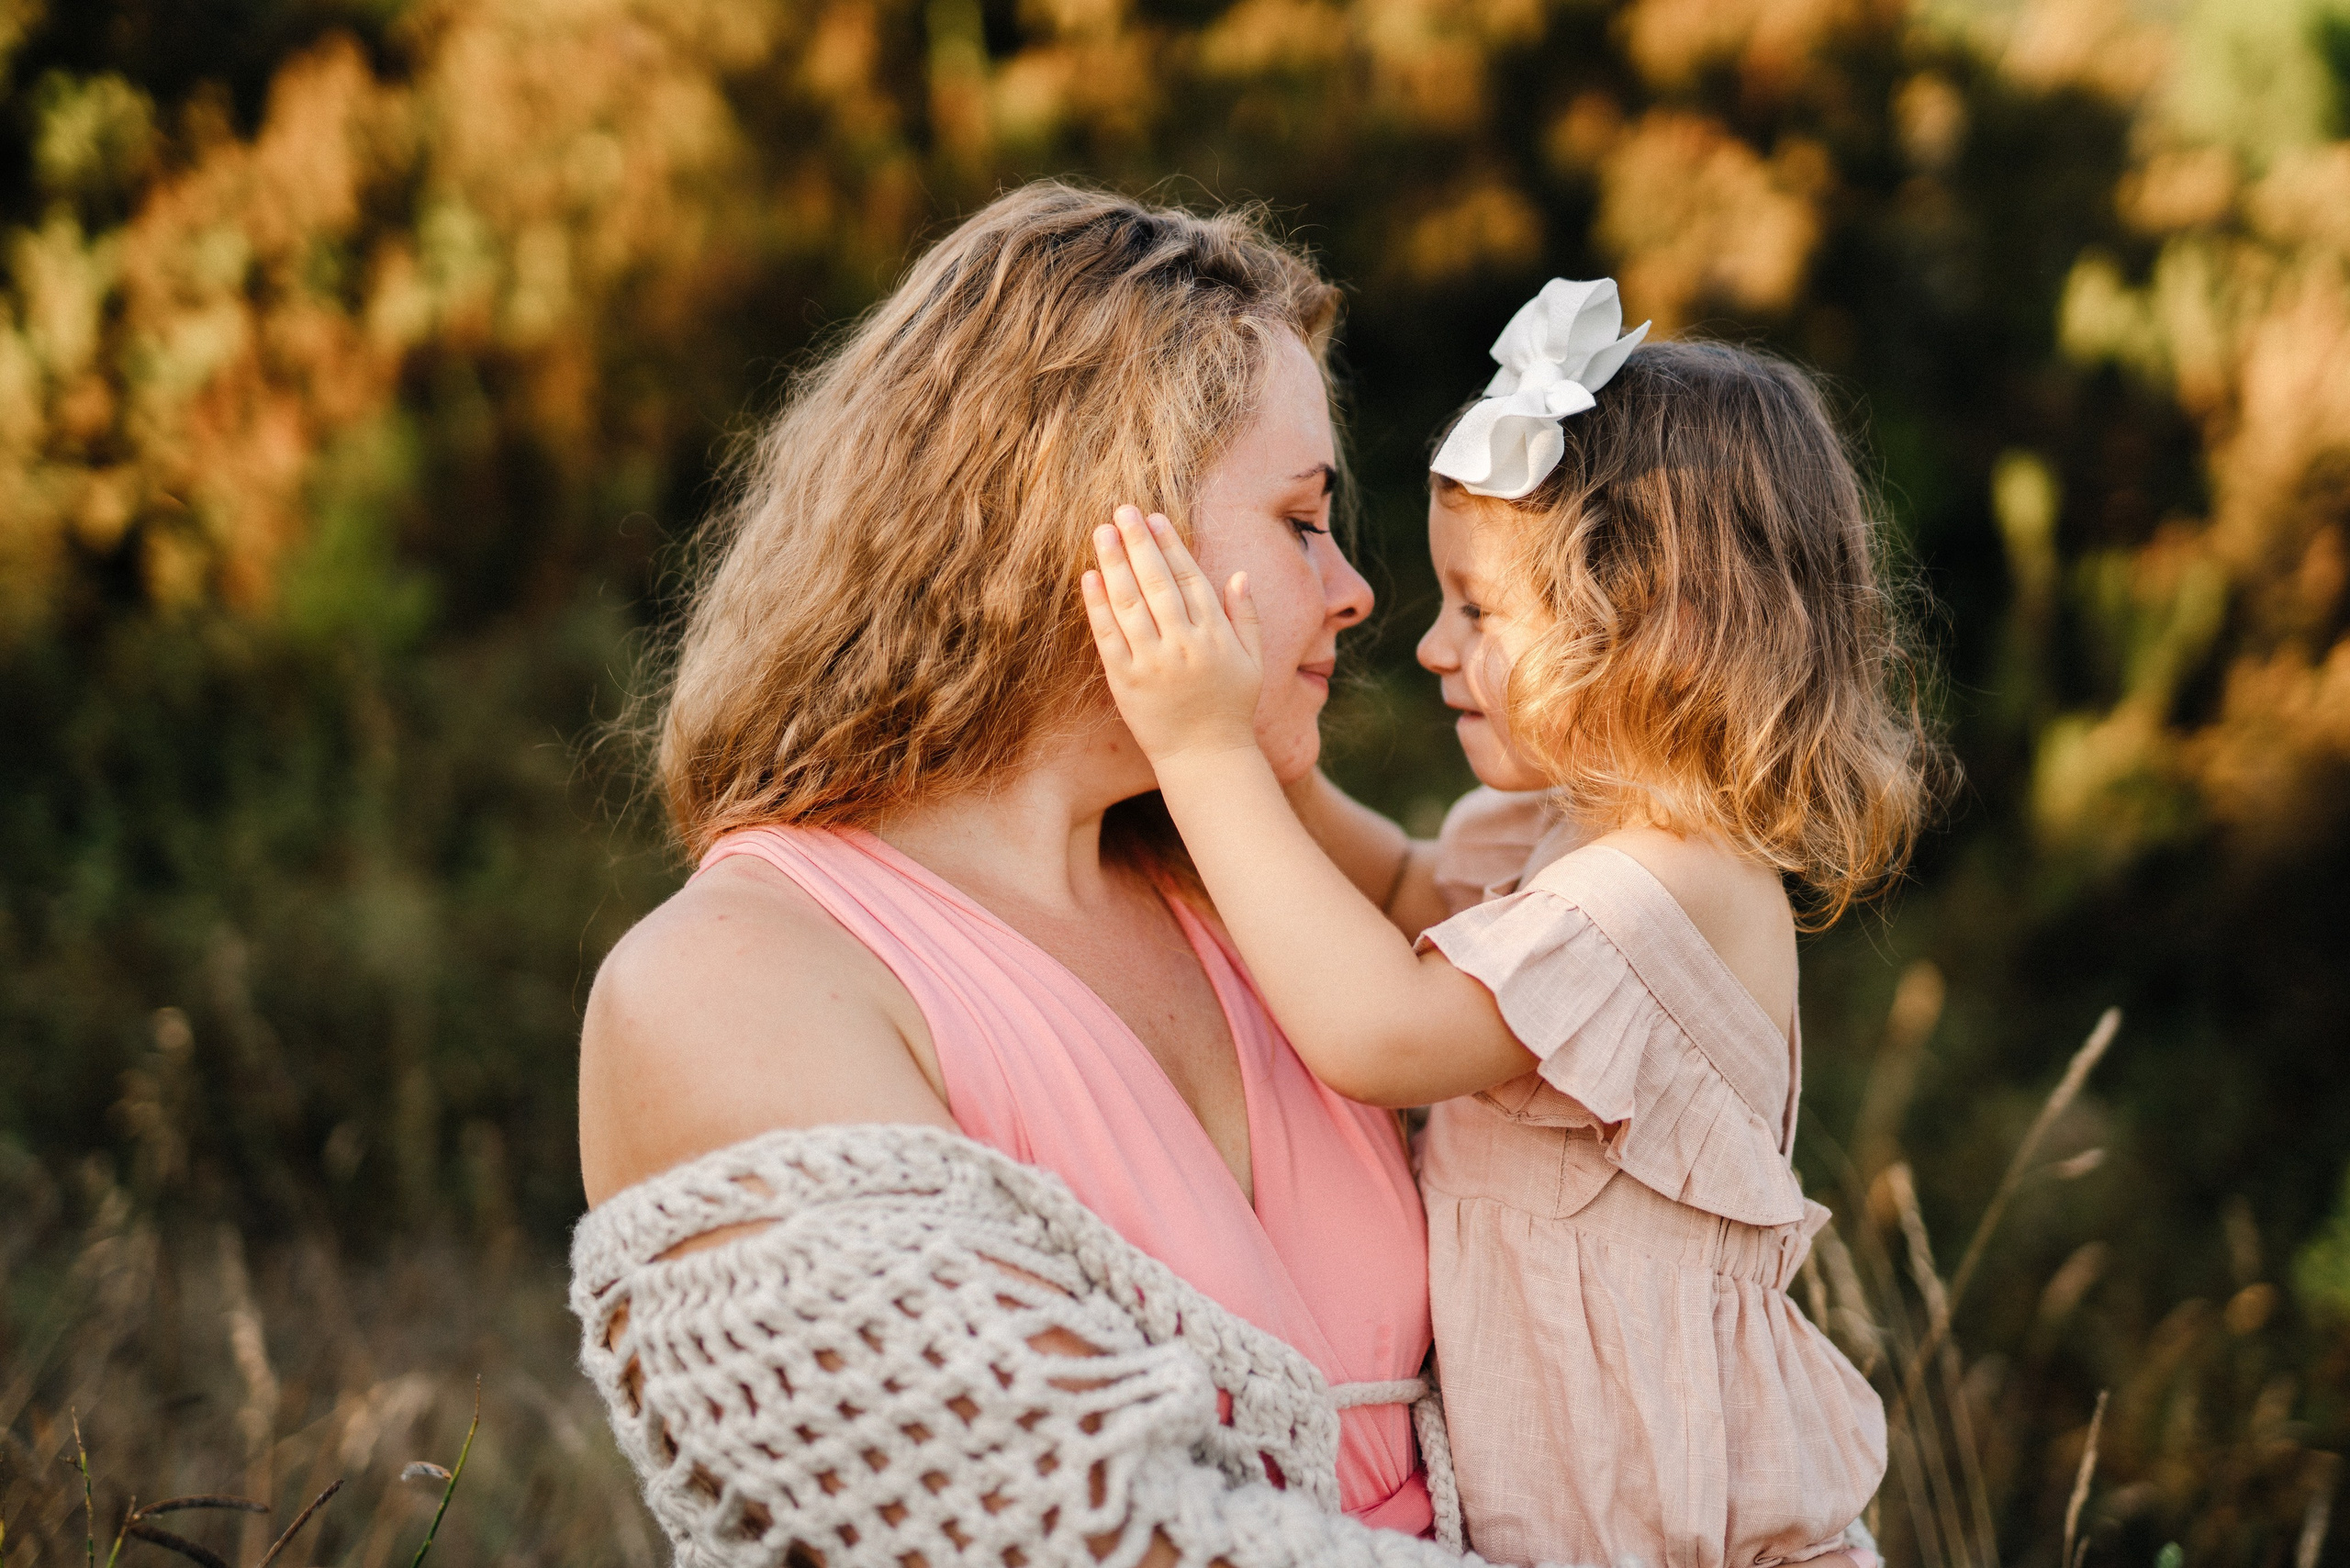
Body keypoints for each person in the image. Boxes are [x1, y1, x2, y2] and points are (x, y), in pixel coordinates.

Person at [570, 183, 1505, 1568]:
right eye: (1303, 520)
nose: (1358, 590)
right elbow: (1085, 1533)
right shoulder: (730, 985)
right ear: (1101, 529)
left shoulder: (1262, 898)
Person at [1079, 277, 1937, 1568]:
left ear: (1652, 627)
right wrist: (1267, 739)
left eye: (1481, 613)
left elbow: (1376, 1028)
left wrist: (1205, 751)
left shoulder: (1664, 892)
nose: (1433, 647)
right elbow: (1394, 892)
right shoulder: (1567, 845)